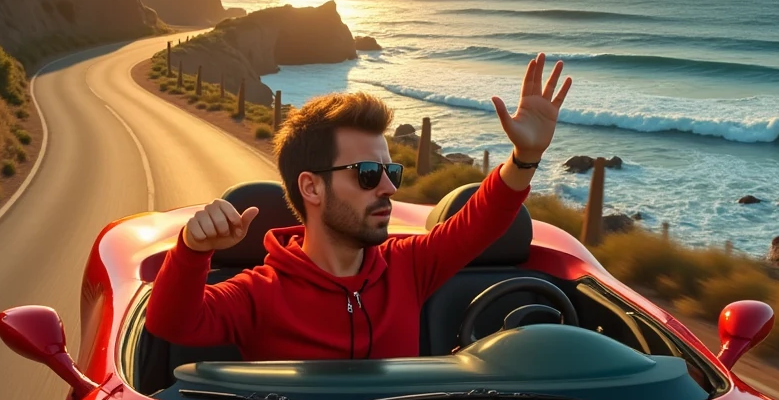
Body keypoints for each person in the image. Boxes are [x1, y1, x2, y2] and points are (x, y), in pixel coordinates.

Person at [145, 53, 572, 361]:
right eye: (368, 173)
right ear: (311, 188)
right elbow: (171, 325)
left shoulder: (408, 266)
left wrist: (525, 158)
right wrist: (193, 250)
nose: (388, 187)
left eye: (392, 172)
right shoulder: (260, 293)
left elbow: (479, 223)